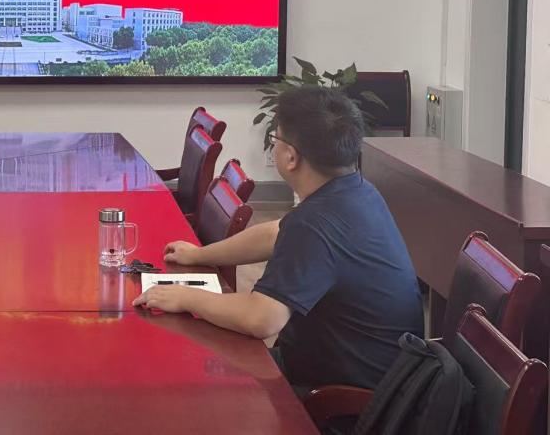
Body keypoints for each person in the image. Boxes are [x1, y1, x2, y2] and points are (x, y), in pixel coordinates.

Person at [133, 87, 423, 392]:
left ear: (291, 157)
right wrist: (199, 255)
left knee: (186, 379)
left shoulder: (315, 222)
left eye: (275, 139)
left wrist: (185, 297)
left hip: (345, 397)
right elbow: (276, 232)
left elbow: (261, 318)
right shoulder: (358, 192)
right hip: (371, 377)